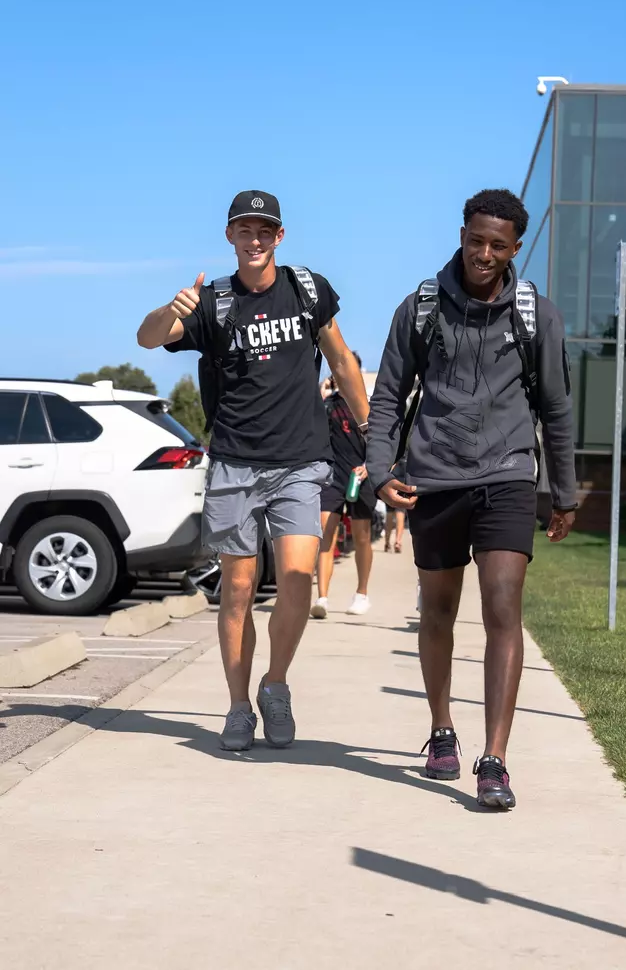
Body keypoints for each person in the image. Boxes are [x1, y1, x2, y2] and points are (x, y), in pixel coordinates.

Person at [366, 188, 576, 810]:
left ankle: (495, 759)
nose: (484, 254)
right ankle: (441, 729)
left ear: (516, 249)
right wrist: (379, 470)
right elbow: (388, 396)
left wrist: (563, 492)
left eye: (498, 245)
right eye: (476, 240)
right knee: (438, 610)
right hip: (434, 478)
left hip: (508, 476)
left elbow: (557, 407)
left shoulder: (537, 316)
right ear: (461, 235)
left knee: (502, 606)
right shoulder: (420, 308)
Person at [137, 190, 369, 752]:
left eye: (265, 230)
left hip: (300, 461)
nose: (255, 239)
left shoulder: (307, 290)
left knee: (296, 581)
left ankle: (275, 684)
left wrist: (373, 435)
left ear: (279, 236)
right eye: (245, 229)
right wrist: (172, 310)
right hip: (235, 463)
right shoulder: (211, 302)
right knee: (238, 590)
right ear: (230, 236)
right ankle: (239, 706)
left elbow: (341, 361)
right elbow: (146, 338)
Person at [312, 353, 375, 619]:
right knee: (326, 533)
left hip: (362, 476)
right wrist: (321, 392)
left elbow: (382, 442)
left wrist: (369, 466)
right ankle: (322, 598)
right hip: (333, 477)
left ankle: (362, 594)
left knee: (362, 537)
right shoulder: (328, 404)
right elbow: (309, 426)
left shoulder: (369, 405)